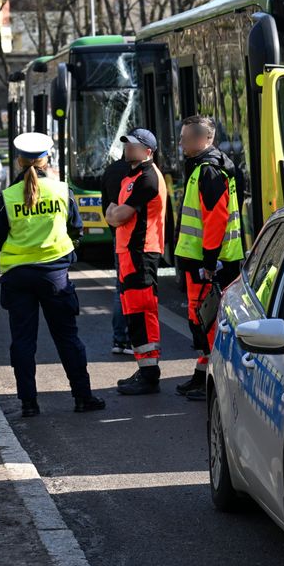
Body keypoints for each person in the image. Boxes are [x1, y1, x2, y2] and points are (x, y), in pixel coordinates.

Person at [0, 132, 105, 417]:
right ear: (47, 159)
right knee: (67, 338)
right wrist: (65, 252)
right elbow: (76, 229)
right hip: (55, 276)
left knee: (23, 341)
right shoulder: (61, 191)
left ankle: (28, 403)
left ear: (18, 160)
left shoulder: (7, 196)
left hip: (17, 277)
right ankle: (82, 396)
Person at [172, 115, 244, 402]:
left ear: (204, 140)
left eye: (185, 138)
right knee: (204, 318)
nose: (181, 143)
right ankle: (203, 375)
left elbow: (215, 220)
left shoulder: (209, 171)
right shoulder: (206, 167)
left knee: (208, 320)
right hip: (210, 257)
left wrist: (208, 262)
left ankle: (215, 385)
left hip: (210, 260)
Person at [104, 129, 167, 396]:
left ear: (148, 151)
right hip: (130, 253)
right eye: (127, 144)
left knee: (142, 312)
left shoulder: (148, 179)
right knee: (134, 313)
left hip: (141, 253)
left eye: (133, 145)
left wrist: (113, 214)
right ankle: (144, 369)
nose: (128, 148)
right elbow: (113, 213)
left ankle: (150, 374)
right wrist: (114, 214)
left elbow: (117, 215)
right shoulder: (133, 176)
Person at [100, 152, 133, 356]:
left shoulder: (111, 170)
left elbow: (107, 207)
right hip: (134, 239)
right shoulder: (135, 175)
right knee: (130, 290)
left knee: (120, 288)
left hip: (117, 236)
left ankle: (119, 340)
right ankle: (128, 340)